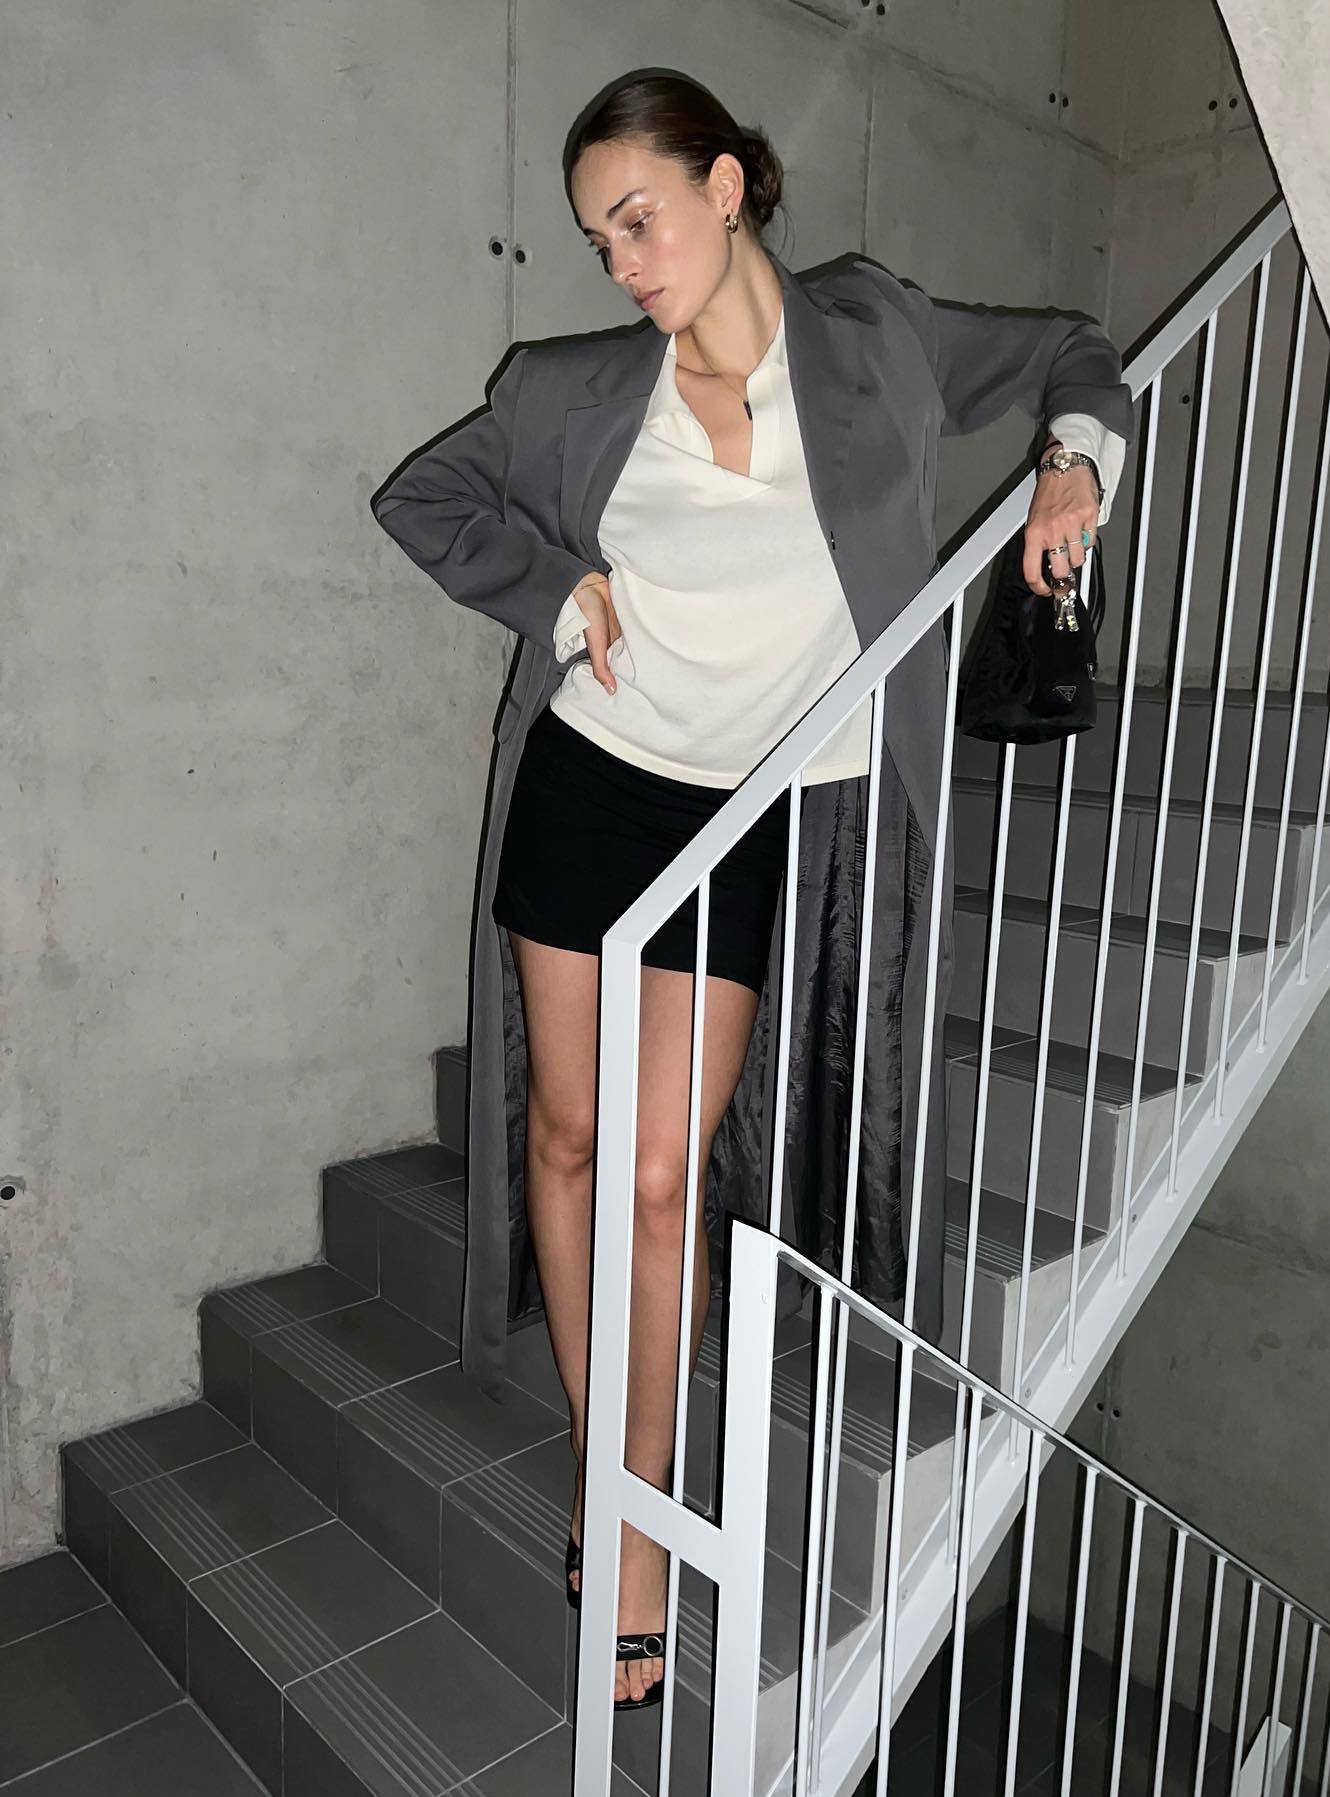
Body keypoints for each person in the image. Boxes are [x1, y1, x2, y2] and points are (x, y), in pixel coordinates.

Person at [370, 68, 1132, 1713]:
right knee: (566, 1141)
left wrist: (1074, 466)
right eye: (599, 239)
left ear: (727, 186)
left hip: (743, 820)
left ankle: (635, 1510)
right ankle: (610, 1489)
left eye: (640, 219)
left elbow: (1073, 351)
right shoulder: (573, 388)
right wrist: (555, 589)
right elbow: (421, 498)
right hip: (591, 788)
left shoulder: (876, 337)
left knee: (663, 1180)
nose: (622, 262)